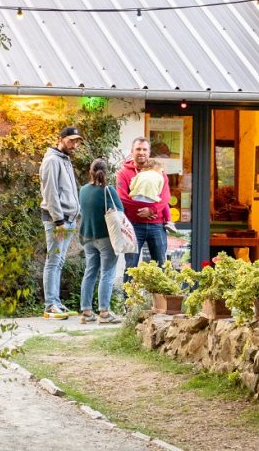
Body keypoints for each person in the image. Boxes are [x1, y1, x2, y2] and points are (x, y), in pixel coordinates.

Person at [39, 126, 83, 319]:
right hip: (58, 220)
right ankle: (50, 305)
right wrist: (59, 220)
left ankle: (55, 302)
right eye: (71, 141)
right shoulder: (52, 160)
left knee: (59, 261)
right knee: (53, 261)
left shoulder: (64, 160)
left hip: (68, 219)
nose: (74, 145)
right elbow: (50, 193)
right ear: (61, 139)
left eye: (76, 141)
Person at [117, 137, 170, 282]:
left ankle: (160, 303)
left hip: (157, 225)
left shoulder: (159, 172)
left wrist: (152, 210)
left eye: (144, 149)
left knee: (161, 266)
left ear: (149, 152)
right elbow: (123, 198)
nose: (141, 152)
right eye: (138, 149)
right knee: (131, 267)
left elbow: (165, 197)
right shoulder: (123, 173)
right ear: (132, 151)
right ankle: (129, 304)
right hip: (133, 225)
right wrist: (144, 210)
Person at [78, 158, 122, 324]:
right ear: (107, 172)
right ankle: (104, 312)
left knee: (90, 273)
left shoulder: (83, 190)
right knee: (107, 273)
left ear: (90, 171)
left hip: (87, 237)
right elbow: (120, 211)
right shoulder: (108, 191)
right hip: (105, 238)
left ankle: (86, 312)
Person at [129, 158, 175, 232]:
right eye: (161, 171)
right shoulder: (160, 177)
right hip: (151, 200)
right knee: (164, 203)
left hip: (136, 199)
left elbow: (131, 186)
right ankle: (169, 221)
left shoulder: (139, 174)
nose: (162, 173)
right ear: (156, 168)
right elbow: (160, 191)